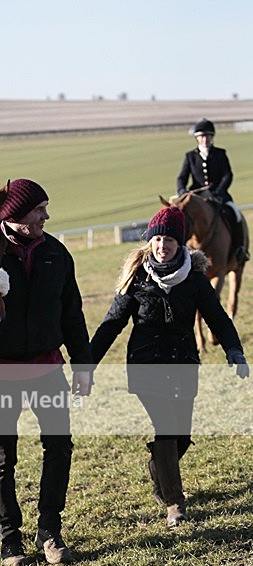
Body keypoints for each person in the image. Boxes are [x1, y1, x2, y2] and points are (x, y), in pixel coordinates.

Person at [90, 205, 249, 528]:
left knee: (182, 435)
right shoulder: (137, 278)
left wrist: (234, 349)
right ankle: (174, 503)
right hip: (145, 364)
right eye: (158, 240)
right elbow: (112, 323)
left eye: (170, 241)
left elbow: (217, 317)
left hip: (183, 362)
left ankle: (159, 470)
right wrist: (86, 362)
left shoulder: (194, 278)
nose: (163, 247)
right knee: (165, 429)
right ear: (150, 242)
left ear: (181, 244)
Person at [0, 179, 92, 566]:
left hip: (46, 368)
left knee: (58, 448)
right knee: (2, 460)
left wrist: (83, 365)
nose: (47, 216)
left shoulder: (56, 252)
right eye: (39, 209)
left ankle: (50, 532)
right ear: (17, 215)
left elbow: (72, 313)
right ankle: (10, 541)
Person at [176, 118, 247, 260]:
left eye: (208, 136)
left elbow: (228, 175)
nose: (205, 139)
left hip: (218, 195)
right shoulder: (190, 156)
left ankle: (239, 249)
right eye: (202, 136)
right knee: (183, 217)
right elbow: (181, 178)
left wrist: (219, 191)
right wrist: (183, 192)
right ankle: (179, 251)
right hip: (197, 196)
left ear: (212, 137)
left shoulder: (220, 154)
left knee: (235, 214)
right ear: (197, 138)